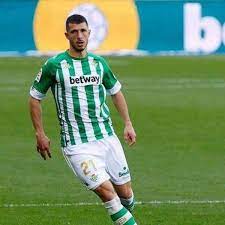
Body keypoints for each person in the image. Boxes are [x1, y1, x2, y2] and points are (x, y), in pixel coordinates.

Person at [29, 14, 137, 225]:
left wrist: (128, 123)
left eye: (83, 31)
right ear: (66, 35)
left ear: (89, 33)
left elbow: (115, 91)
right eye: (74, 32)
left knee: (126, 196)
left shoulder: (99, 64)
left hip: (107, 138)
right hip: (77, 145)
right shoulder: (55, 65)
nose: (79, 36)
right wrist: (40, 133)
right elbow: (34, 98)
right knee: (109, 197)